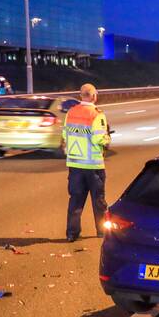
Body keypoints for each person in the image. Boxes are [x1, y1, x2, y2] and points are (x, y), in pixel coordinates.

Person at [62, 83, 111, 242]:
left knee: (75, 200)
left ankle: (71, 233)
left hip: (75, 165)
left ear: (80, 95)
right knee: (99, 201)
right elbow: (99, 137)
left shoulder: (71, 112)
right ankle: (102, 231)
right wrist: (108, 139)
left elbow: (65, 134)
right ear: (94, 96)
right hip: (93, 165)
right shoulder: (97, 115)